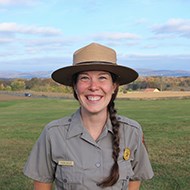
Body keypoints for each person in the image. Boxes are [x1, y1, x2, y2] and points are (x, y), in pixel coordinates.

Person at [23, 42, 154, 190]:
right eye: (85, 78)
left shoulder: (132, 132)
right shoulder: (53, 134)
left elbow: (134, 180)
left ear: (114, 86)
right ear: (75, 86)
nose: (93, 86)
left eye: (102, 78)